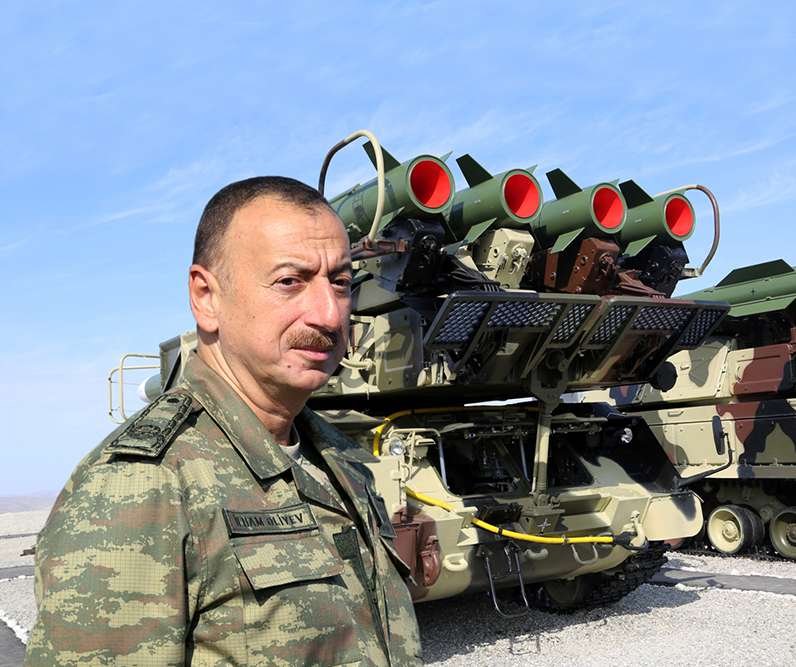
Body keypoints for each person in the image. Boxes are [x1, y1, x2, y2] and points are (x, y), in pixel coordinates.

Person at [25, 177, 422, 666]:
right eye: (290, 281)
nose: (327, 314)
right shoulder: (142, 486)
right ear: (206, 297)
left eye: (339, 282)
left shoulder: (338, 459)